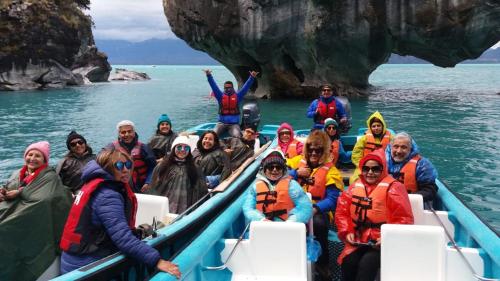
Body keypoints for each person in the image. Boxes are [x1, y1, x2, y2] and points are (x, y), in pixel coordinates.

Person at [59, 149, 181, 279]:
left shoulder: (96, 184)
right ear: (107, 168)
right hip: (85, 266)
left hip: (75, 259)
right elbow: (122, 237)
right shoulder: (108, 195)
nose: (125, 170)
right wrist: (157, 261)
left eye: (128, 165)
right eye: (118, 166)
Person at [335, 150, 413, 281]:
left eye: (375, 169)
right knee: (348, 262)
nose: (370, 172)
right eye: (366, 169)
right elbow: (342, 212)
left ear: (383, 170)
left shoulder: (394, 188)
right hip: (358, 238)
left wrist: (387, 237)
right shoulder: (354, 187)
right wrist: (347, 231)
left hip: (381, 241)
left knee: (366, 265)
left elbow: (404, 219)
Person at [0, 141, 72, 281]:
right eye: (30, 154)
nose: (32, 158)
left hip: (36, 216)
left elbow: (44, 199)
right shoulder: (18, 173)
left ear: (44, 160)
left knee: (4, 228)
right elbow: (8, 187)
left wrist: (21, 192)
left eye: (37, 156)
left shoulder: (49, 176)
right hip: (20, 213)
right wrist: (3, 192)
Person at [287, 130, 344, 280]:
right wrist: (295, 173)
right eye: (310, 149)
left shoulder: (331, 171)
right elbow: (277, 176)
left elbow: (332, 199)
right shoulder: (296, 162)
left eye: (318, 150)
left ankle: (322, 263)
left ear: (324, 151)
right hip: (294, 206)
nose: (313, 153)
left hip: (318, 209)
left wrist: (315, 209)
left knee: (319, 224)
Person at [243, 150, 312, 223]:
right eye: (270, 167)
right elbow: (248, 208)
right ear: (264, 169)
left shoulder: (292, 185)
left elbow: (306, 208)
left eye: (278, 167)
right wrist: (261, 219)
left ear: (283, 169)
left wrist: (291, 221)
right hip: (262, 227)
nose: (274, 170)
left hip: (288, 229)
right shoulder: (255, 187)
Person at [149, 135, 208, 214]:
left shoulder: (195, 168)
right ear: (174, 149)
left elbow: (202, 189)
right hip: (166, 206)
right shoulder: (162, 166)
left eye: (186, 148)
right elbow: (154, 186)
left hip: (186, 207)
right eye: (179, 147)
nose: (182, 150)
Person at [204, 68, 259, 138]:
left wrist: (251, 77)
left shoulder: (238, 96)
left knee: (237, 136)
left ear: (232, 87)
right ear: (224, 88)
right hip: (221, 124)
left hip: (234, 124)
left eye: (229, 87)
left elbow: (245, 88)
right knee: (212, 136)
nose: (228, 89)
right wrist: (209, 75)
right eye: (226, 88)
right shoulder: (220, 96)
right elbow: (213, 86)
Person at [385, 132, 438, 203]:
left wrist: (408, 198)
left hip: (411, 204)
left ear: (410, 149)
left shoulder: (422, 165)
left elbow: (430, 190)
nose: (399, 151)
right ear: (391, 147)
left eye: (403, 147)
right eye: (396, 146)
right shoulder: (381, 161)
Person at [107, 120, 156, 193]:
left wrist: (148, 182)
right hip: (120, 186)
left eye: (129, 131)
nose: (127, 134)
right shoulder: (111, 147)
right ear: (119, 134)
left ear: (134, 132)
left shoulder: (144, 148)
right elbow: (101, 161)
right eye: (123, 132)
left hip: (141, 186)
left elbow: (153, 167)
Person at [350, 111, 392, 183]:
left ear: (383, 126)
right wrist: (362, 165)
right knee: (355, 179)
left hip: (384, 166)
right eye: (374, 126)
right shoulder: (364, 139)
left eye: (378, 126)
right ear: (370, 127)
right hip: (365, 165)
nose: (376, 128)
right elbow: (356, 154)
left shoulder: (391, 138)